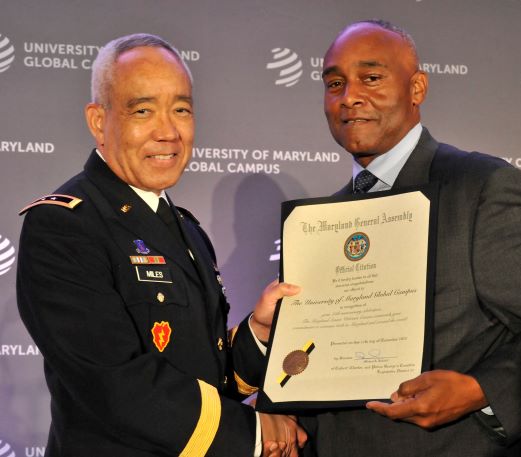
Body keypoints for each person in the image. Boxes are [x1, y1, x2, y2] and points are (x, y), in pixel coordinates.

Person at [17, 33, 306, 457]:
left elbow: (201, 373)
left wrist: (257, 332)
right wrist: (256, 434)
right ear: (99, 121)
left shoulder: (185, 229)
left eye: (181, 109)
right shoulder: (62, 224)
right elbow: (117, 384)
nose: (168, 131)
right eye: (143, 110)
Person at [298, 19, 521, 457]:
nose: (349, 97)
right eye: (334, 83)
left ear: (417, 88)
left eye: (371, 78)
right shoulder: (319, 221)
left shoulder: (480, 187)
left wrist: (480, 390)